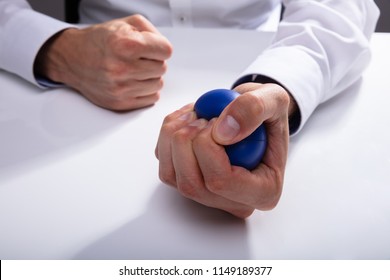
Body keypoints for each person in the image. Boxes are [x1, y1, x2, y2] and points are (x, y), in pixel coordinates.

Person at [0, 0, 380, 218]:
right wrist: (56, 48)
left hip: (263, 53)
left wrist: (277, 86)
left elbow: (344, 7)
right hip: (81, 90)